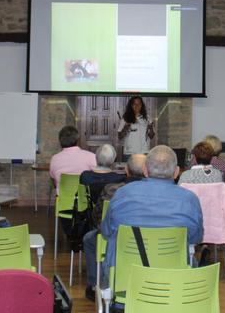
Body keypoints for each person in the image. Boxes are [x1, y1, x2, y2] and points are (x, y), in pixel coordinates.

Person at [99, 146, 203, 294]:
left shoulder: (122, 194)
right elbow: (196, 238)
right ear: (176, 172)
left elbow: (106, 232)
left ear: (145, 170)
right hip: (173, 282)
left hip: (124, 283)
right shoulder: (189, 200)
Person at [83, 153, 146, 300]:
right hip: (152, 244)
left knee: (89, 239)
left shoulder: (112, 190)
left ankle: (94, 284)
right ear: (146, 171)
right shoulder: (158, 194)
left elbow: (98, 218)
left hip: (117, 240)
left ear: (127, 170)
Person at [49, 125, 96, 193]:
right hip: (84, 201)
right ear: (77, 140)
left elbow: (53, 178)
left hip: (63, 201)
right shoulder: (91, 156)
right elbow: (98, 175)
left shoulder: (54, 159)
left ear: (60, 141)